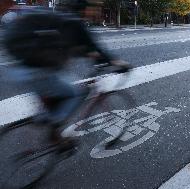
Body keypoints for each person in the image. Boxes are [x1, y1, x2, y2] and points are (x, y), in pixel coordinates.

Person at [3, 0, 130, 146]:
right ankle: (54, 131)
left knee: (56, 95)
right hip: (34, 72)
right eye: (94, 8)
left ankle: (48, 122)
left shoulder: (61, 19)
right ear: (85, 9)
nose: (96, 11)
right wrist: (120, 64)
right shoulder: (75, 24)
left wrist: (93, 57)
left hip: (18, 68)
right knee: (77, 93)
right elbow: (97, 50)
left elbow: (86, 51)